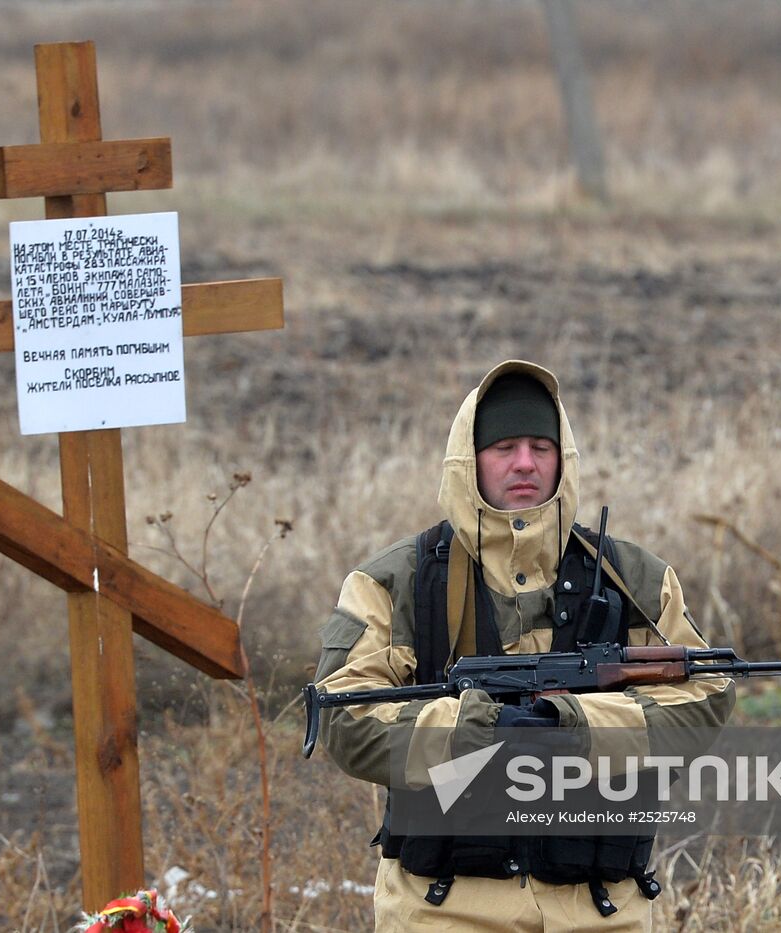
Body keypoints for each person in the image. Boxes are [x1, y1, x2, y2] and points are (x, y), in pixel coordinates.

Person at [312, 360, 735, 932]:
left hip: (602, 910)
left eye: (541, 445)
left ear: (564, 458)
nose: (525, 463)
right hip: (446, 910)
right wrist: (478, 733)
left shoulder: (634, 579)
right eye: (504, 446)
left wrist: (575, 724)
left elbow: (705, 694)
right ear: (469, 460)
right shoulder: (395, 582)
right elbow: (346, 717)